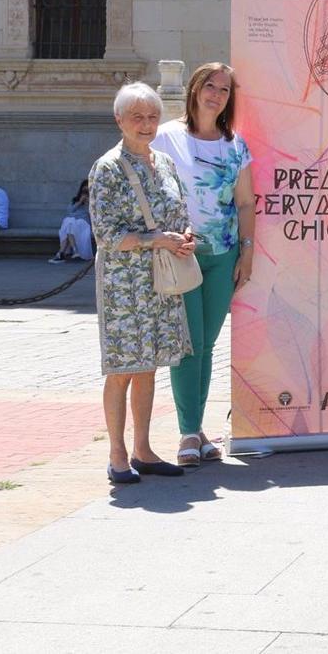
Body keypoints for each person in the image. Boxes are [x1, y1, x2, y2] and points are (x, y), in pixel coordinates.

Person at [151, 62, 257, 467]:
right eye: (210, 86)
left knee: (206, 344)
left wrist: (246, 254)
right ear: (195, 89)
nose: (216, 94)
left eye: (225, 89)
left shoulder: (236, 145)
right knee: (187, 344)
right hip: (183, 256)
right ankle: (188, 433)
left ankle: (197, 430)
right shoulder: (166, 138)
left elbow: (246, 202)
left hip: (223, 256)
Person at [89, 82, 193, 484]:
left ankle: (144, 449)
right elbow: (107, 235)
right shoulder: (108, 168)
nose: (146, 124)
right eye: (137, 117)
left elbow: (179, 211)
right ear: (119, 120)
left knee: (149, 367)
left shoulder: (164, 163)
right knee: (122, 369)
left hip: (161, 280)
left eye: (152, 116)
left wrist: (184, 236)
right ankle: (117, 454)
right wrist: (155, 240)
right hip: (124, 285)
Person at [49, 180, 94, 263]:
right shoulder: (75, 200)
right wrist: (79, 202)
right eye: (84, 190)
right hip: (72, 222)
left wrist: (88, 202)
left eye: (87, 191)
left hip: (83, 223)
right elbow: (69, 211)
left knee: (69, 223)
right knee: (69, 222)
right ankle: (73, 251)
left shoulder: (93, 200)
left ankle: (61, 253)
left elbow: (93, 214)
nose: (85, 192)